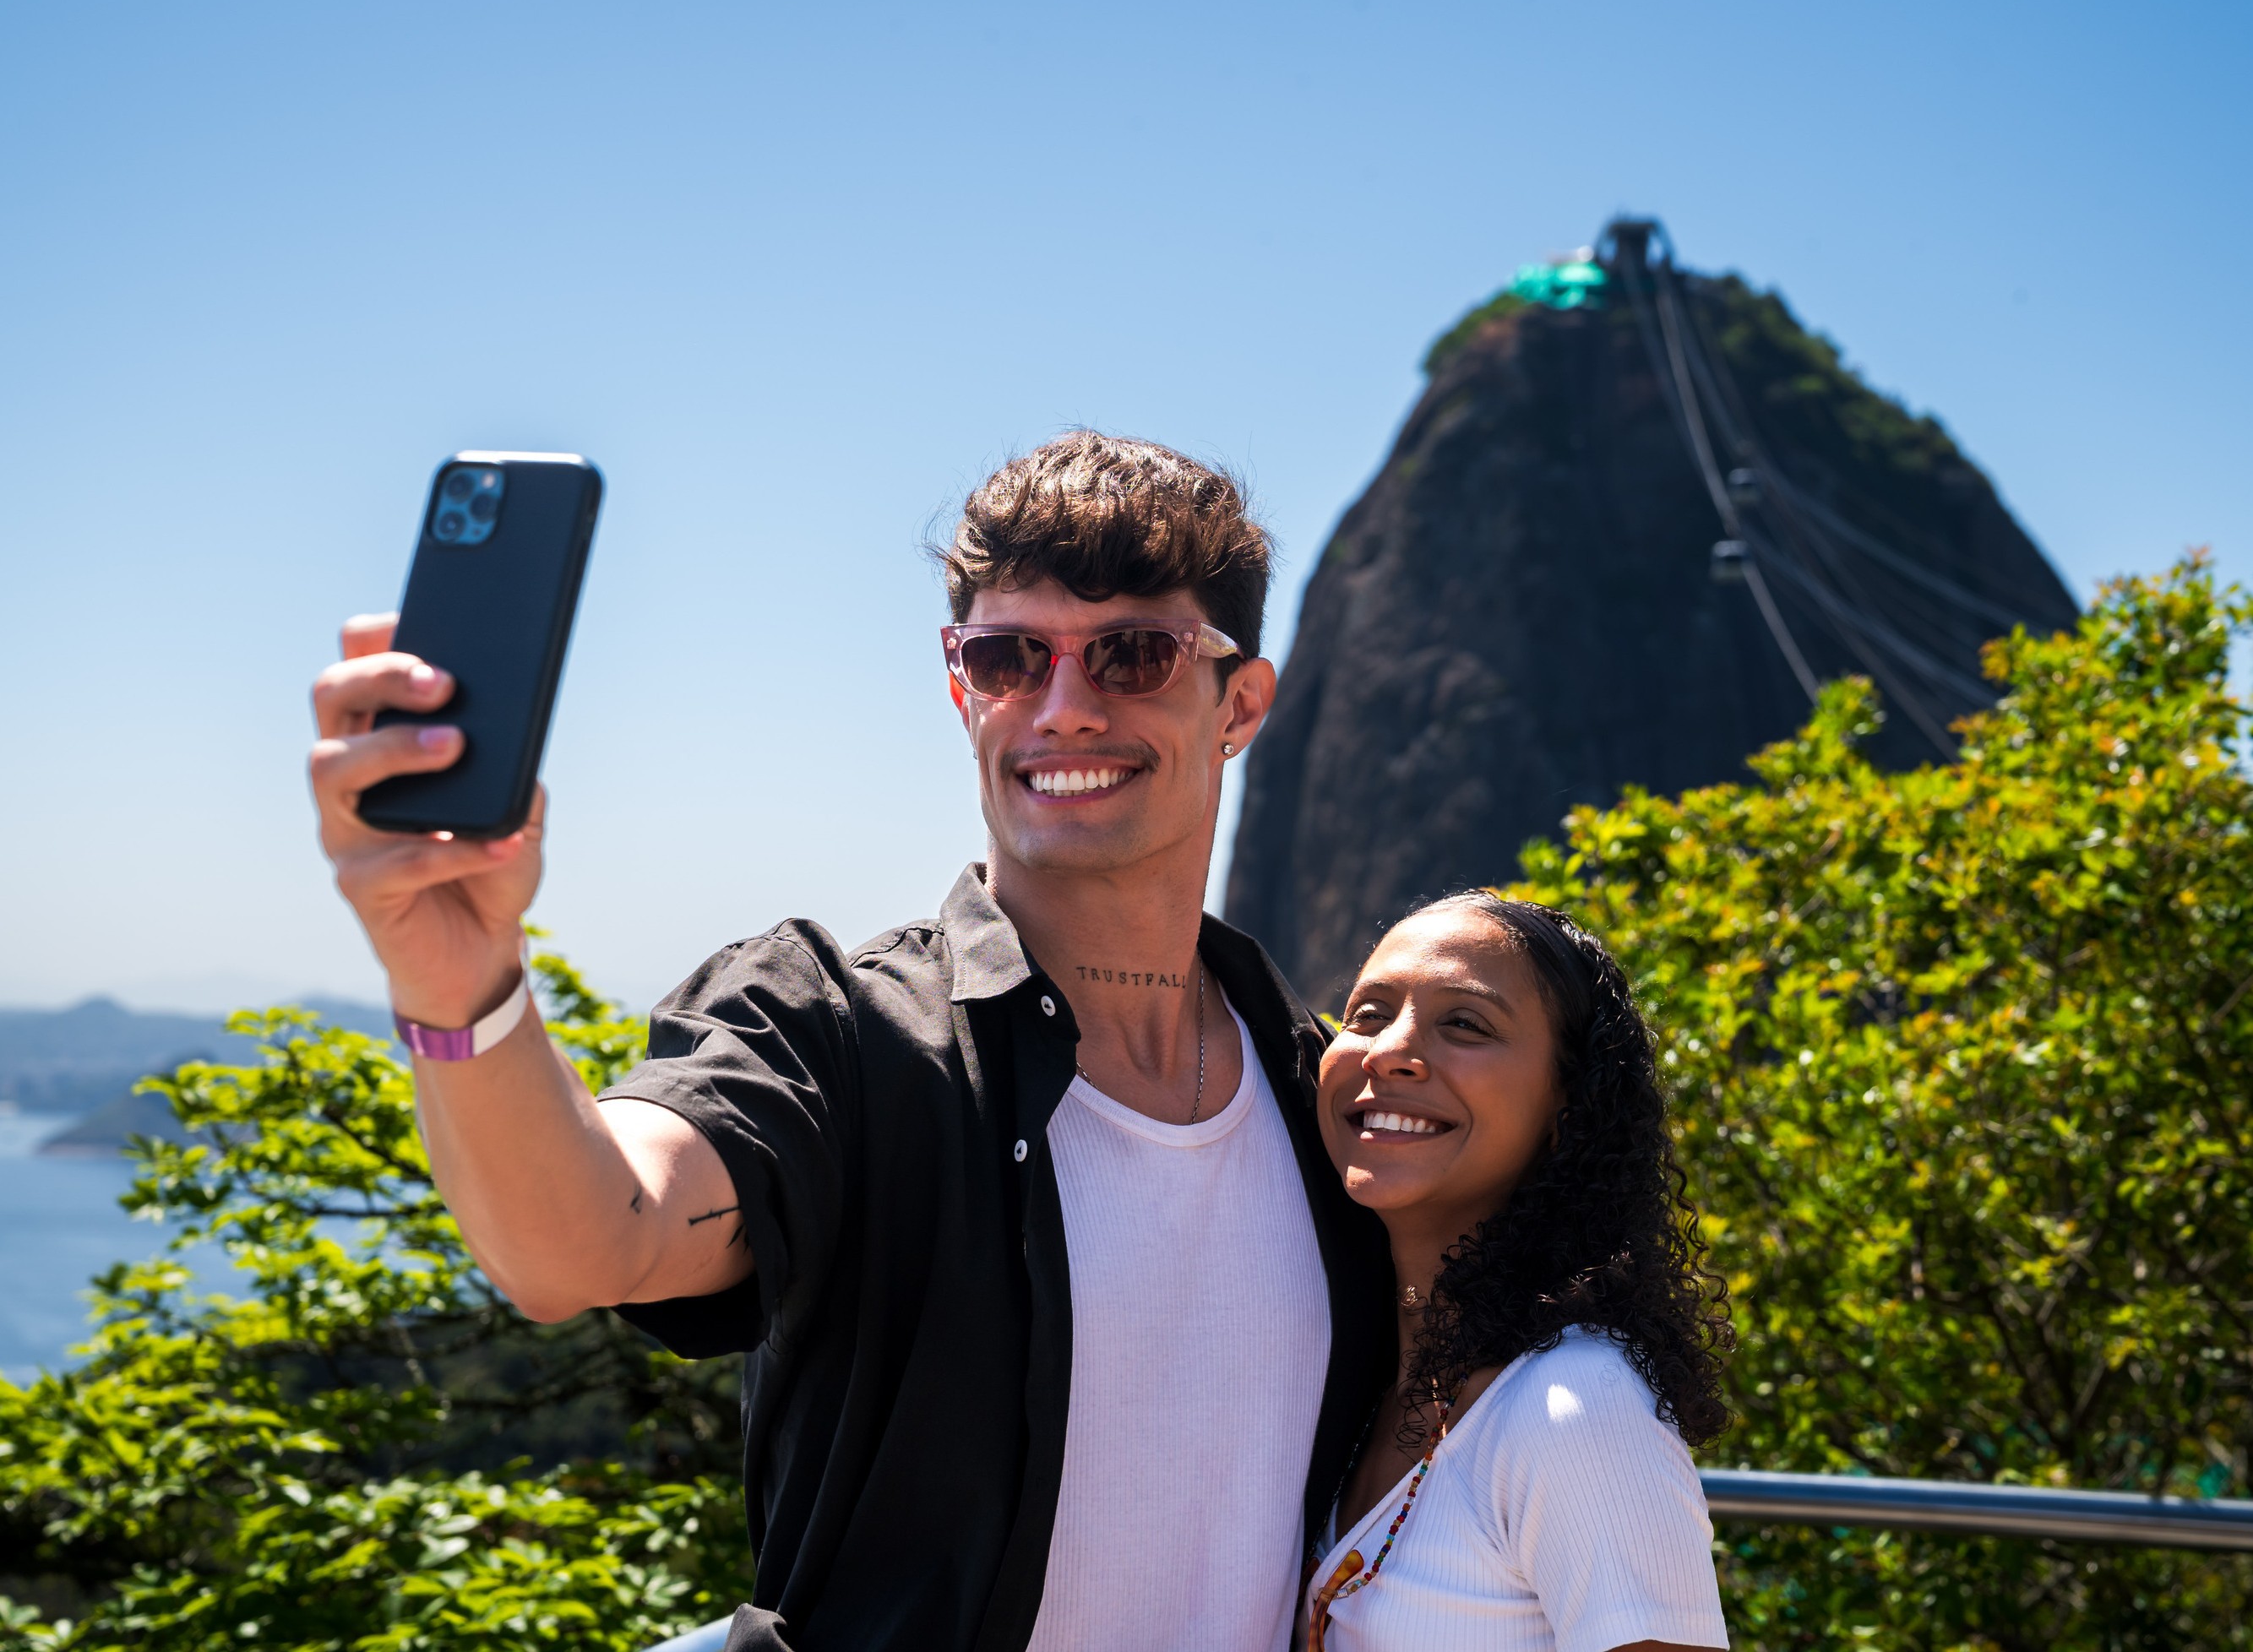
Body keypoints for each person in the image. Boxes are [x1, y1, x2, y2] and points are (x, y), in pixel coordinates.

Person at [306, 432, 1393, 1652]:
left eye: (1134, 656)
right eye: (1007, 656)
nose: (1062, 707)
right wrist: (459, 990)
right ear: (956, 685)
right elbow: (585, 1240)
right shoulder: (836, 1033)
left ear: (1238, 700)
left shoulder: (1330, 1099)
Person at [1302, 892, 1733, 1652]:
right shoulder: (1362, 1392)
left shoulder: (1575, 1412)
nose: (1389, 1050)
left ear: (1568, 1108)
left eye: (1464, 1023)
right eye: (1366, 1014)